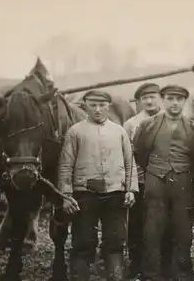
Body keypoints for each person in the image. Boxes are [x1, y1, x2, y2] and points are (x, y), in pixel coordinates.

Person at [58, 89, 138, 281]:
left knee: (115, 240)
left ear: (108, 106)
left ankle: (115, 277)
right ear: (86, 106)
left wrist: (131, 189)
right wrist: (66, 195)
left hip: (115, 194)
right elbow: (65, 165)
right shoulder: (75, 132)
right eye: (93, 105)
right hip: (85, 195)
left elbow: (129, 162)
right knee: (83, 241)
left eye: (102, 105)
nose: (97, 109)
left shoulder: (119, 131)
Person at [133, 85, 194, 281]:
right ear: (163, 100)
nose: (175, 103)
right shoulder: (148, 125)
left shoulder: (193, 127)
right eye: (170, 98)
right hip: (155, 181)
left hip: (183, 181)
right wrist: (154, 170)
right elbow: (140, 152)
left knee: (182, 228)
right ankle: (152, 274)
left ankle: (181, 274)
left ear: (185, 101)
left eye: (179, 99)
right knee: (152, 228)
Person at [123, 82, 167, 279]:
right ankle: (136, 263)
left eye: (153, 97)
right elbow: (128, 156)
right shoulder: (132, 124)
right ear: (139, 101)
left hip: (165, 180)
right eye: (144, 98)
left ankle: (164, 263)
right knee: (137, 222)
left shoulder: (170, 118)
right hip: (140, 181)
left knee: (165, 222)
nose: (149, 101)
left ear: (160, 98)